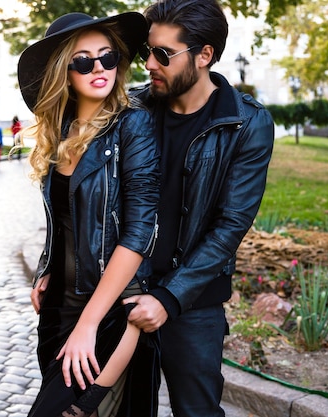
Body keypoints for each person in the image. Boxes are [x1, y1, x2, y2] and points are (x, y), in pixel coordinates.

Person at [122, 1, 275, 416]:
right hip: (124, 292)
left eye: (163, 54)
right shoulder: (130, 110)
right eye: (147, 52)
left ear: (204, 55)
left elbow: (230, 225)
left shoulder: (246, 123)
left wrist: (169, 298)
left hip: (194, 304)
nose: (150, 64)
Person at [17, 11, 161, 417]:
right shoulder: (59, 132)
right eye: (82, 61)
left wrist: (89, 324)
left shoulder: (133, 125)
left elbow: (138, 233)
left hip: (108, 308)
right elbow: (63, 217)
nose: (98, 68)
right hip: (57, 309)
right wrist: (46, 266)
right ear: (65, 71)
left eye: (107, 57)